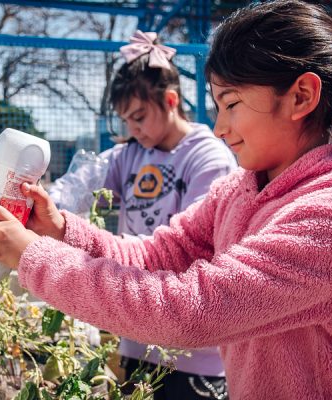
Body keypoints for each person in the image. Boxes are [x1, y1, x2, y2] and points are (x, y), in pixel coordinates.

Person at [0, 1, 332, 398]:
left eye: (231, 104)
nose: (221, 126)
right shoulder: (243, 190)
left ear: (301, 96)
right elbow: (158, 254)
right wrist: (62, 231)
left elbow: (189, 311)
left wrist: (33, 257)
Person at [47, 30, 237, 399]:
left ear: (170, 100)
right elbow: (80, 185)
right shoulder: (130, 154)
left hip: (192, 350)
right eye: (126, 121)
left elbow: (192, 251)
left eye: (139, 116)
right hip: (136, 334)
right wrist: (46, 203)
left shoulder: (208, 158)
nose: (133, 129)